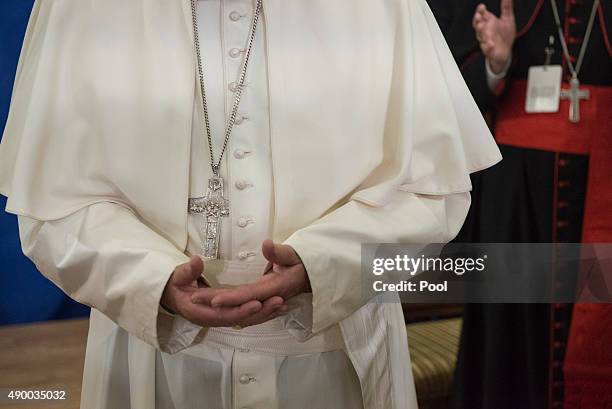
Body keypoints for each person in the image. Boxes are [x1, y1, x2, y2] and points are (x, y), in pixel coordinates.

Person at [0, 0, 501, 408]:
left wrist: (322, 263)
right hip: (151, 366)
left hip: (331, 360)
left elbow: (431, 193)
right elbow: (52, 207)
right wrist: (148, 279)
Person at [426, 0, 612, 408]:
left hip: (601, 187)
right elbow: (451, 95)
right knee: (509, 332)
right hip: (514, 194)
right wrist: (498, 64)